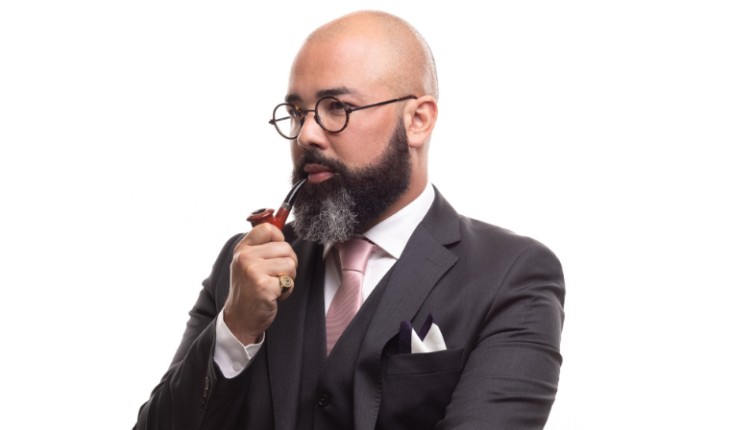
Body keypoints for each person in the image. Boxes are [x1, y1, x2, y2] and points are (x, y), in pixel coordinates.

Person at [135, 10, 565, 430]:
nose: (306, 135)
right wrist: (235, 328)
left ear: (418, 120)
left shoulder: (511, 275)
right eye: (297, 112)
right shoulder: (242, 267)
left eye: (336, 107)